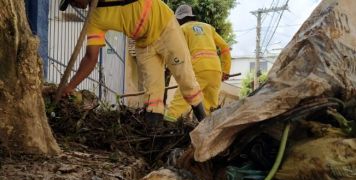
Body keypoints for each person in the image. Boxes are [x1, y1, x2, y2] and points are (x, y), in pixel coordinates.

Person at [59, 0, 206, 123]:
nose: (74, 5)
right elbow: (90, 58)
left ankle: (205, 124)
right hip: (144, 43)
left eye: (71, 0)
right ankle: (153, 138)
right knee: (152, 95)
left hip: (165, 25)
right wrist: (70, 87)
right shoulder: (93, 20)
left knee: (185, 78)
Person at [165, 4, 231, 121]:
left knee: (181, 100)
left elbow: (176, 51)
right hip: (215, 71)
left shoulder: (182, 29)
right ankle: (206, 134)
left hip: (197, 70)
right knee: (209, 109)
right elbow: (225, 47)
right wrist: (226, 69)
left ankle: (165, 126)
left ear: (179, 19)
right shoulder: (208, 27)